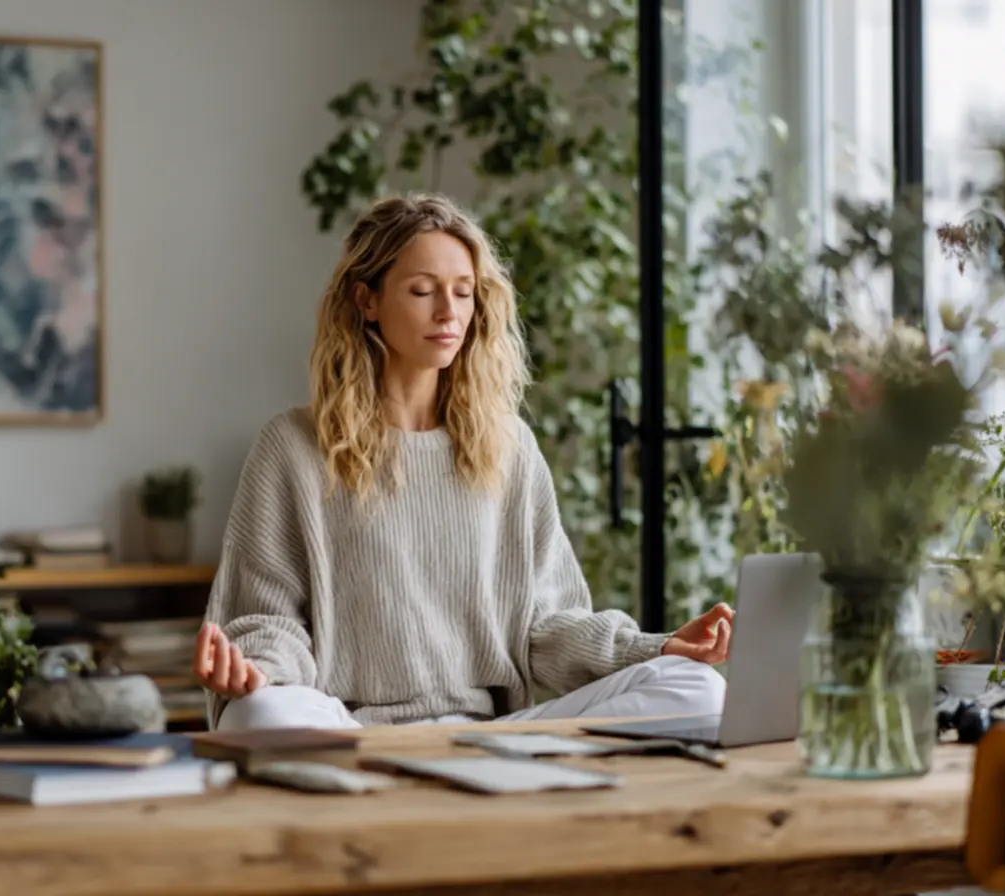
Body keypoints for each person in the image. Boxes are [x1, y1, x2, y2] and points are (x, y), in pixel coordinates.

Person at [194, 193, 732, 731]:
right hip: (350, 730)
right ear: (367, 300)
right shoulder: (292, 446)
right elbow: (268, 615)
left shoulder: (509, 446)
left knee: (699, 689)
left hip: (487, 732)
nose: (449, 312)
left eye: (464, 292)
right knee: (260, 714)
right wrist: (258, 673)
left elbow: (545, 625)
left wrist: (655, 648)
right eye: (423, 290)